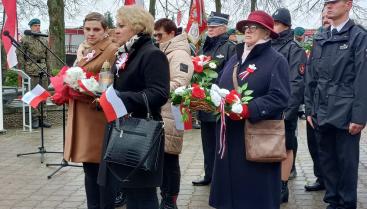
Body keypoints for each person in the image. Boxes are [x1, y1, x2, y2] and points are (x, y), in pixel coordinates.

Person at [209, 10, 290, 209]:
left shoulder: (276, 60)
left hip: (257, 137)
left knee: (254, 196)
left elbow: (280, 97)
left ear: (267, 32)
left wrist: (249, 109)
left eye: (254, 27)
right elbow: (221, 85)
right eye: (246, 26)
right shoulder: (235, 58)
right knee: (229, 195)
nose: (248, 30)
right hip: (229, 135)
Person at [98, 5, 170, 209]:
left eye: (121, 26)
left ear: (137, 28)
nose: (115, 30)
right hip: (121, 129)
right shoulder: (127, 53)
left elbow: (159, 94)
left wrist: (122, 98)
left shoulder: (152, 54)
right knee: (128, 191)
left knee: (141, 194)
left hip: (140, 132)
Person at [304, 0, 367, 208]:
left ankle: (347, 203)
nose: (328, 6)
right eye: (326, 3)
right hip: (321, 110)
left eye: (334, 2)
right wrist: (310, 110)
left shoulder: (358, 37)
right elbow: (311, 77)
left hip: (345, 113)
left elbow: (362, 79)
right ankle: (332, 201)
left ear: (348, 4)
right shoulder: (321, 36)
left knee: (346, 164)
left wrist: (359, 117)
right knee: (327, 161)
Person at [63, 12, 118, 209]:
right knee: (89, 167)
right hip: (84, 113)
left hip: (97, 116)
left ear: (105, 31)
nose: (91, 33)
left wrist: (83, 86)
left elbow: (107, 84)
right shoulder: (85, 49)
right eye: (87, 29)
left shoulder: (110, 49)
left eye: (96, 29)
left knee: (100, 169)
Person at [154, 18, 194, 209]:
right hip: (164, 110)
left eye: (160, 35)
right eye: (155, 35)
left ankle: (170, 200)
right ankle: (166, 196)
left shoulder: (179, 54)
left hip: (174, 110)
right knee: (163, 156)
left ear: (171, 33)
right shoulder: (166, 51)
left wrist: (153, 90)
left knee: (170, 157)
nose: (157, 38)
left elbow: (180, 82)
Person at [193, 11, 236, 187]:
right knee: (207, 142)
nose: (209, 30)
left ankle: (222, 176)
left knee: (222, 142)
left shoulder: (230, 47)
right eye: (209, 27)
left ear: (223, 28)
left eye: (213, 27)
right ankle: (209, 174)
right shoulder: (205, 46)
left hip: (220, 102)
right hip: (204, 101)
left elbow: (230, 74)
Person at [272, 8, 307, 203]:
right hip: (268, 108)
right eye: (273, 23)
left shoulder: (295, 49)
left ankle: (282, 187)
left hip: (284, 110)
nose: (274, 27)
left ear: (286, 25)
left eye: (277, 23)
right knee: (268, 147)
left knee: (285, 147)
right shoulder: (268, 45)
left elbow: (296, 84)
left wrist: (288, 112)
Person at [304, 7, 331, 192]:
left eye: (327, 15)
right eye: (322, 16)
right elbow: (310, 77)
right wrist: (308, 108)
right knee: (315, 146)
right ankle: (320, 178)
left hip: (334, 105)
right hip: (314, 104)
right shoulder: (318, 40)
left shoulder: (353, 36)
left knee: (331, 150)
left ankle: (332, 185)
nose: (325, 19)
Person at [16, 18, 51, 129]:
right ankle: (35, 119)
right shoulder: (25, 39)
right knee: (34, 95)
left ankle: (44, 118)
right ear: (30, 26)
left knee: (44, 95)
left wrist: (49, 71)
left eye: (39, 25)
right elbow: (19, 54)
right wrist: (23, 68)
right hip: (31, 69)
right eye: (35, 25)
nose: (38, 27)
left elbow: (48, 56)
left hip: (43, 69)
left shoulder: (44, 39)